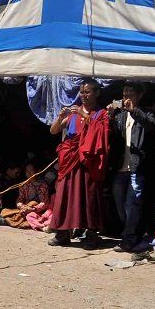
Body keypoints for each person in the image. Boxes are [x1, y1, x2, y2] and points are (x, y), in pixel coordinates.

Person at [48, 80, 110, 248]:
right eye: (82, 92)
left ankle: (90, 234)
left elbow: (103, 133)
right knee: (64, 196)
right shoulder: (73, 112)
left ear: (97, 93)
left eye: (87, 92)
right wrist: (60, 117)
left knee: (88, 198)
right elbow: (53, 130)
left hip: (88, 162)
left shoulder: (101, 114)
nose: (84, 96)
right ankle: (62, 234)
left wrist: (85, 117)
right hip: (70, 161)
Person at [107, 82, 155, 251]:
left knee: (132, 204)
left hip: (137, 166)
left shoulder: (146, 113)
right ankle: (131, 233)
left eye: (131, 93)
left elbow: (150, 125)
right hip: (120, 166)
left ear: (139, 95)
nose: (127, 97)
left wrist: (133, 110)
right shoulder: (120, 114)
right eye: (125, 93)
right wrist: (110, 117)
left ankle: (129, 239)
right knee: (120, 204)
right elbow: (113, 135)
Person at [0, 162, 51, 229]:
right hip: (25, 208)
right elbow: (20, 198)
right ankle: (21, 221)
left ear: (37, 171)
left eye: (31, 171)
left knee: (30, 215)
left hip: (37, 210)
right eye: (27, 171)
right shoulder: (24, 184)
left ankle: (40, 226)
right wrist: (21, 205)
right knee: (4, 211)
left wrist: (32, 209)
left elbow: (44, 203)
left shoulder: (43, 185)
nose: (28, 173)